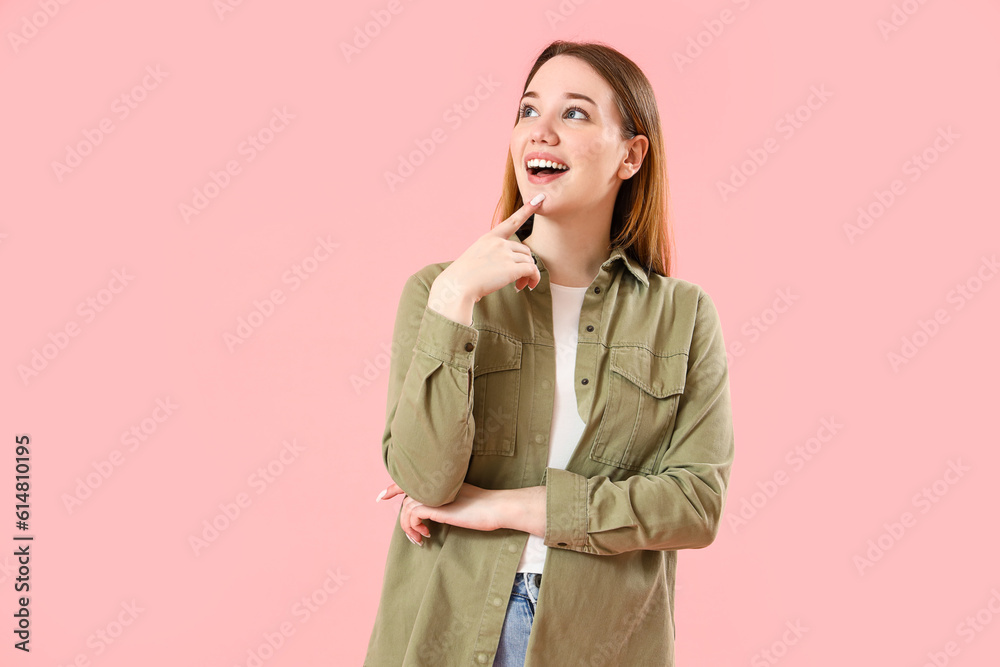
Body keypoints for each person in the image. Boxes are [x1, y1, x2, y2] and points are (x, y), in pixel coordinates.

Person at [364, 39, 735, 667]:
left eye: (575, 114)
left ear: (631, 154)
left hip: (600, 639)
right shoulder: (439, 291)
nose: (541, 132)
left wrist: (497, 507)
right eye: (528, 110)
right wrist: (456, 297)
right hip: (448, 628)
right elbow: (423, 480)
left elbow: (695, 505)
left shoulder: (682, 314)